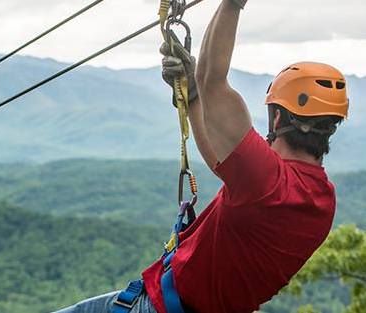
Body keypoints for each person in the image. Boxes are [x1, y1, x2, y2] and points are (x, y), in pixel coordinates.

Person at [53, 0, 349, 312]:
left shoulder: (268, 182)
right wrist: (192, 94)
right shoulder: (321, 200)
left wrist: (233, 4)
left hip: (160, 306)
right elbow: (220, 155)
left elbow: (212, 80)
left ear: (277, 119)